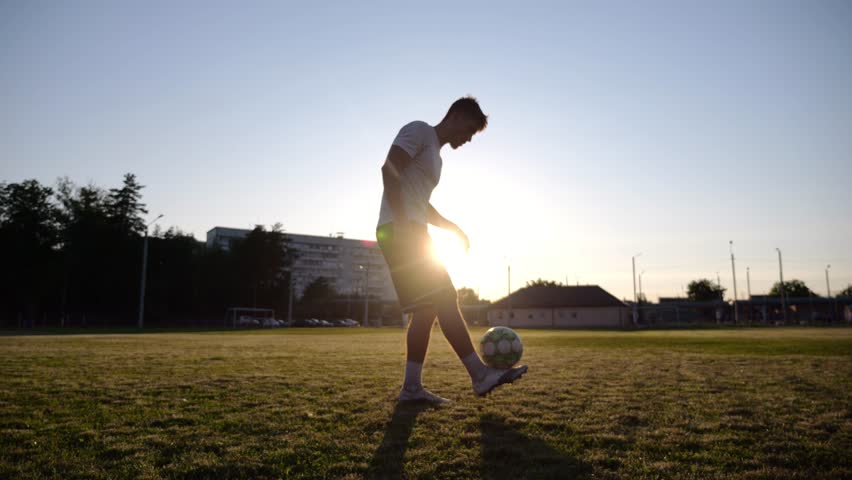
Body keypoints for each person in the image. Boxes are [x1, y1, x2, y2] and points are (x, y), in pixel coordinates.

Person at [375, 96, 528, 404]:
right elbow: (388, 170)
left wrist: (451, 227)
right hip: (400, 230)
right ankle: (480, 375)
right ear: (456, 115)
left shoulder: (437, 158)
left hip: (411, 230)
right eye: (469, 130)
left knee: (426, 311)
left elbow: (420, 201)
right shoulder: (419, 131)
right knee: (445, 296)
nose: (468, 139)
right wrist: (404, 225)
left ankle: (411, 389)